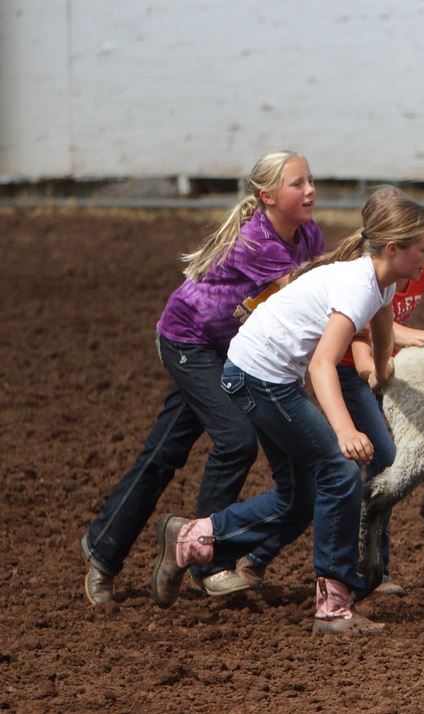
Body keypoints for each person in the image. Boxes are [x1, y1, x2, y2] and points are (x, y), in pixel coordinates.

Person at [149, 188, 424, 636]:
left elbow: (382, 333)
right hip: (259, 378)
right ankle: (333, 607)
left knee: (298, 497)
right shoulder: (358, 287)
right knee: (341, 471)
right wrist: (344, 430)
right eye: (423, 249)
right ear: (394, 249)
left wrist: (381, 373)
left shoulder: (382, 281)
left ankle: (191, 539)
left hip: (259, 372)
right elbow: (323, 364)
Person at [235, 186, 424, 597]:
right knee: (360, 465)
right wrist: (365, 388)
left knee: (340, 475)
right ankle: (355, 570)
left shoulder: (402, 272)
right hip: (340, 373)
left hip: (371, 371)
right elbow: (354, 349)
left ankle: (361, 569)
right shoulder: (363, 280)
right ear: (392, 245)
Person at [80, 150, 325, 605]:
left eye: (311, 180)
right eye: (298, 184)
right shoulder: (258, 242)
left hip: (229, 350)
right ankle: (208, 563)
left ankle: (103, 552)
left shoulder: (308, 234)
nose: (310, 190)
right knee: (234, 440)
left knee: (165, 450)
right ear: (267, 197)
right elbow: (305, 293)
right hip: (190, 342)